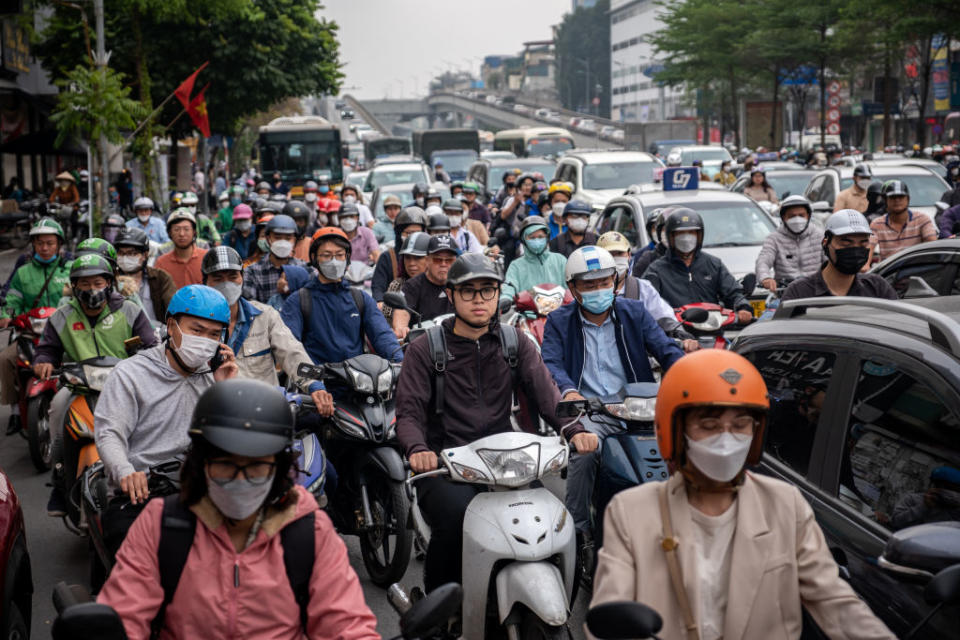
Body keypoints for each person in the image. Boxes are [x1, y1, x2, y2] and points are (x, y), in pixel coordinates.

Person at [590, 349, 896, 640]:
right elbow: (609, 614)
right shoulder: (631, 512)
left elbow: (835, 602)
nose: (726, 440)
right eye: (709, 425)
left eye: (740, 425)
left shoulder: (785, 505)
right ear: (674, 431)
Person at [98, 378, 379, 640]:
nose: (240, 480)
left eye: (256, 466)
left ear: (278, 467)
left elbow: (346, 624)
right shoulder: (161, 525)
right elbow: (124, 616)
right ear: (201, 463)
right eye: (226, 464)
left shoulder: (310, 531)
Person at [397, 252, 595, 592]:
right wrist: (418, 449)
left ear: (498, 294)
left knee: (557, 525)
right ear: (451, 295)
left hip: (506, 462)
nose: (479, 300)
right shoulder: (425, 350)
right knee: (456, 522)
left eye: (487, 290)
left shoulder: (514, 341)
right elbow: (409, 412)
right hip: (445, 466)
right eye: (468, 291)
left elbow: (547, 394)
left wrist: (575, 429)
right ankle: (440, 612)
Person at [541, 246, 684, 539]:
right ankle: (577, 531)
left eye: (605, 282)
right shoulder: (559, 321)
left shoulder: (634, 312)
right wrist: (568, 391)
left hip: (639, 408)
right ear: (573, 288)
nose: (598, 290)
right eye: (589, 284)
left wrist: (689, 373)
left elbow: (665, 348)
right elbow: (551, 363)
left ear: (616, 282)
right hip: (591, 412)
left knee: (684, 447)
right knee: (585, 452)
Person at [94, 285, 238, 559]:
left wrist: (225, 391)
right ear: (171, 326)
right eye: (197, 330)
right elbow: (109, 433)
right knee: (134, 564)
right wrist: (126, 472)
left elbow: (232, 442)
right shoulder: (131, 374)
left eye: (214, 334)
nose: (205, 340)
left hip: (202, 489)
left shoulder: (215, 376)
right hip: (143, 492)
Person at [36, 253, 158, 515]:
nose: (92, 289)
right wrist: (44, 361)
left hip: (127, 387)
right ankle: (60, 483)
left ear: (109, 283)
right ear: (75, 286)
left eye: (98, 283)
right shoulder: (62, 316)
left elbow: (152, 345)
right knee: (57, 410)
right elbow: (47, 349)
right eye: (85, 284)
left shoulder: (130, 310)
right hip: (78, 388)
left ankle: (155, 478)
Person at [202, 247, 329, 409]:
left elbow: (292, 351)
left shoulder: (265, 315)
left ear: (242, 278)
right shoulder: (197, 324)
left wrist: (315, 384)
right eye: (218, 278)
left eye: (233, 276)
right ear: (205, 282)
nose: (227, 284)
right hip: (216, 410)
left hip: (264, 410)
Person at [281, 227, 402, 369]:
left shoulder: (360, 298)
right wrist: (312, 383)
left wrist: (400, 363)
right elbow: (289, 346)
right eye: (326, 255)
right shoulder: (299, 301)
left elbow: (382, 335)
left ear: (347, 257)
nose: (334, 261)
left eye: (339, 255)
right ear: (314, 258)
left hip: (358, 381)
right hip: (316, 382)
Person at [0, 218, 72, 433]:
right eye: (40, 243)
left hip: (64, 333)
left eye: (50, 243)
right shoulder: (23, 272)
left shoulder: (69, 269)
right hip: (31, 334)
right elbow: (12, 300)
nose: (45, 247)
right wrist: (5, 315)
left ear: (59, 244)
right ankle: (14, 410)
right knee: (5, 359)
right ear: (34, 245)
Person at [643, 209, 754, 323]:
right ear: (671, 237)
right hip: (676, 332)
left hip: (712, 328)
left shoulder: (714, 264)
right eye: (680, 233)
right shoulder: (656, 270)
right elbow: (649, 302)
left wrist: (742, 307)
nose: (686, 238)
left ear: (699, 235)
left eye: (691, 232)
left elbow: (733, 293)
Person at [597, 231, 699, 351]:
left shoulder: (642, 288)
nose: (615, 258)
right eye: (610, 254)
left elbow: (664, 318)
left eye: (619, 253)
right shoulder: (588, 291)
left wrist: (679, 334)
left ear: (629, 255)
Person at [782, 209, 898, 302]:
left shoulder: (877, 288)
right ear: (826, 243)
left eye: (863, 243)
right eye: (846, 243)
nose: (855, 250)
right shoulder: (799, 293)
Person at [391, 235, 458, 339]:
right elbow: (402, 311)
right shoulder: (412, 286)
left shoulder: (461, 285)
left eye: (449, 261)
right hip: (424, 343)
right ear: (427, 261)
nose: (443, 264)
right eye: (437, 260)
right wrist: (401, 328)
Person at [755, 195, 824, 292]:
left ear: (808, 216)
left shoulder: (819, 236)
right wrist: (765, 278)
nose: (797, 219)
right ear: (784, 218)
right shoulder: (774, 238)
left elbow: (830, 262)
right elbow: (763, 261)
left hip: (816, 290)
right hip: (785, 292)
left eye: (801, 215)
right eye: (792, 216)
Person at [242, 214, 309, 304]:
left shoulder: (305, 269)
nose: (282, 242)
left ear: (294, 240)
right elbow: (251, 306)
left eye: (288, 238)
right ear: (268, 238)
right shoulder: (252, 272)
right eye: (277, 238)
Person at [114, 227, 176, 323]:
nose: (125, 258)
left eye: (132, 253)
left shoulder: (161, 278)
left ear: (145, 255)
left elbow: (173, 309)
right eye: (121, 253)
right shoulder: (110, 279)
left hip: (156, 334)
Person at [501, 216, 567, 302]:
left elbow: (570, 287)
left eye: (540, 237)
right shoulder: (516, 265)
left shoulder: (560, 260)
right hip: (526, 313)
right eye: (532, 237)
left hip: (558, 311)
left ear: (546, 238)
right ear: (524, 240)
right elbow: (510, 286)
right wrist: (506, 297)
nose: (536, 240)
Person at [868, 180, 937, 262]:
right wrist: (866, 266)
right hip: (889, 271)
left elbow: (932, 245)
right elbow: (868, 248)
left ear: (908, 199)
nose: (897, 200)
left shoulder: (922, 219)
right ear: (885, 200)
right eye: (893, 197)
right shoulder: (877, 224)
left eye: (901, 196)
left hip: (916, 269)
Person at [371, 207, 428, 304]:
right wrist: (380, 302)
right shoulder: (388, 257)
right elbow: (378, 287)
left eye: (417, 232)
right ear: (399, 233)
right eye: (409, 233)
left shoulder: (431, 253)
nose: (411, 263)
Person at [154, 209, 208, 289]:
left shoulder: (206, 257)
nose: (182, 234)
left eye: (186, 229)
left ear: (194, 232)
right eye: (176, 229)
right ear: (169, 233)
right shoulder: (162, 263)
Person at [382, 232, 430, 322]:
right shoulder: (397, 285)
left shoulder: (442, 285)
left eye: (417, 257)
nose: (411, 263)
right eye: (407, 257)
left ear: (430, 259)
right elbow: (386, 320)